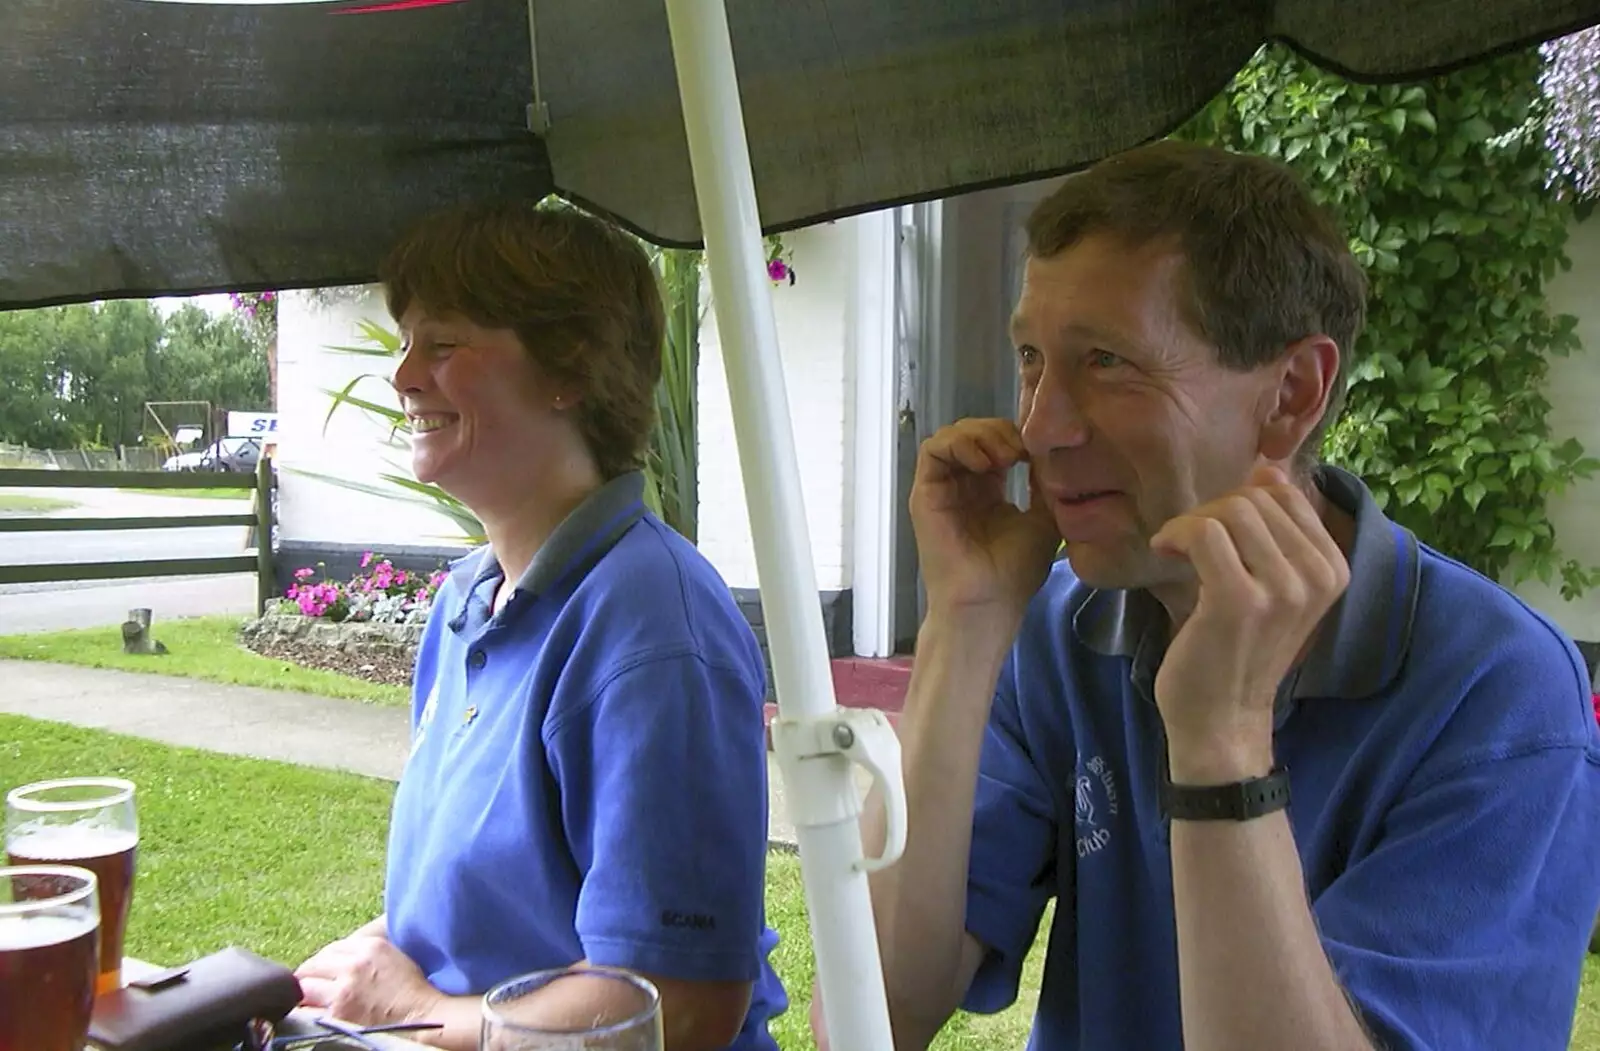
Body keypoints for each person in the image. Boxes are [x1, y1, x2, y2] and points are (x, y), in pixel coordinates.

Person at [826, 141, 1600, 1050]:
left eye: (1107, 361)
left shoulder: (1496, 695)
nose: (1041, 428)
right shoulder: (1059, 628)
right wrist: (964, 621)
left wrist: (1222, 738)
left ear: (1290, 393)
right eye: (1033, 357)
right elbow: (868, 1015)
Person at [293, 200, 786, 1051]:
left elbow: (683, 1003)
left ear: (571, 367)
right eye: (406, 341)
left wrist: (413, 1010)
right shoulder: (464, 604)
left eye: (442, 343)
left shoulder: (652, 625)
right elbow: (494, 907)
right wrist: (367, 963)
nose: (404, 374)